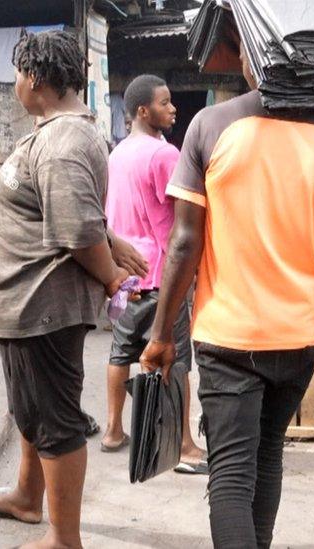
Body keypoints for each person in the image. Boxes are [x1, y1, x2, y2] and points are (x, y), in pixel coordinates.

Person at [140, 32, 314, 548]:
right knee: (266, 457)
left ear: (254, 55)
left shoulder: (212, 125)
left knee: (231, 476)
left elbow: (183, 244)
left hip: (228, 336)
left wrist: (161, 334)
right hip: (299, 340)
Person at [0, 30, 138, 549]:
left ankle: (64, 538)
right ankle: (26, 496)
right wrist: (111, 239)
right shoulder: (58, 132)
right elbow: (71, 211)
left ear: (36, 78)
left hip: (42, 305)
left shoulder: (64, 141)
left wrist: (112, 274)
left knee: (56, 420)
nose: (15, 83)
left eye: (18, 74)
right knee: (31, 409)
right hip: (26, 304)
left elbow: (76, 231)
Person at [101, 74, 207, 474]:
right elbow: (186, 214)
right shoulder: (165, 156)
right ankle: (183, 445)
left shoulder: (116, 154)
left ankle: (113, 430)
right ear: (144, 111)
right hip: (162, 272)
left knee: (121, 353)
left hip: (124, 275)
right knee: (174, 358)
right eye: (165, 103)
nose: (173, 108)